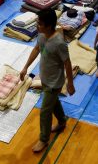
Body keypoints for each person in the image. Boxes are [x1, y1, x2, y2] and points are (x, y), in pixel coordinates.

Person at [20, 9, 75, 153]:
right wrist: (25, 67)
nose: (37, 25)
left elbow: (67, 63)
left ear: (49, 25)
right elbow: (37, 49)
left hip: (54, 82)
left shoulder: (59, 43)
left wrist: (70, 83)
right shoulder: (42, 35)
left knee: (45, 111)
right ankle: (62, 121)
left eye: (40, 24)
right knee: (53, 102)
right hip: (44, 77)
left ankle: (43, 140)